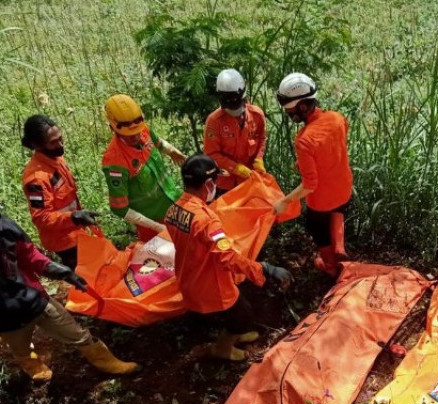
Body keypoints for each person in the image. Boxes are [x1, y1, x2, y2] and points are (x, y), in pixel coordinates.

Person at [165, 154, 292, 361]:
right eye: (215, 181)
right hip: (210, 284)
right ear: (208, 184)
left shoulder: (174, 209)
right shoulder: (206, 221)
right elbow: (228, 257)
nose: (216, 185)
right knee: (243, 316)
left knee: (238, 310)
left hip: (188, 276)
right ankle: (222, 348)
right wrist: (264, 268)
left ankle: (234, 334)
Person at [0, 212, 139, 381]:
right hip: (7, 319)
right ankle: (33, 366)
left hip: (35, 299)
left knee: (76, 333)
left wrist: (61, 272)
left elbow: (29, 255)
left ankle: (105, 361)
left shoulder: (4, 225)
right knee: (21, 349)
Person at [273, 73, 353, 276]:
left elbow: (310, 185)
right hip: (344, 189)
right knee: (339, 208)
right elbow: (333, 142)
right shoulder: (337, 118)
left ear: (302, 106)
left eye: (289, 110)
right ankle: (340, 246)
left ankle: (331, 266)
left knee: (315, 226)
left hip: (322, 200)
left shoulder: (304, 140)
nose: (289, 114)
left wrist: (285, 201)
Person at [101, 94, 186, 242]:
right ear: (112, 128)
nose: (135, 136)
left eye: (137, 130)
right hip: (152, 224)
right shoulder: (115, 162)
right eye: (129, 134)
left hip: (174, 202)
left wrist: (172, 151)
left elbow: (158, 142)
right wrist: (157, 227)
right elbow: (120, 208)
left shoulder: (142, 129)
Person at [21, 115, 100, 269]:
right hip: (63, 241)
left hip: (76, 231)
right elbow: (42, 219)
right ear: (37, 145)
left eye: (60, 138)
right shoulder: (36, 179)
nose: (60, 144)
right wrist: (74, 217)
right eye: (53, 142)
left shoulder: (56, 158)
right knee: (85, 279)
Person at [203, 68, 267, 197]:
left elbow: (262, 139)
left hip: (250, 181)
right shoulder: (215, 121)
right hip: (225, 185)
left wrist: (259, 158)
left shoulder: (257, 115)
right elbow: (211, 153)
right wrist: (235, 168)